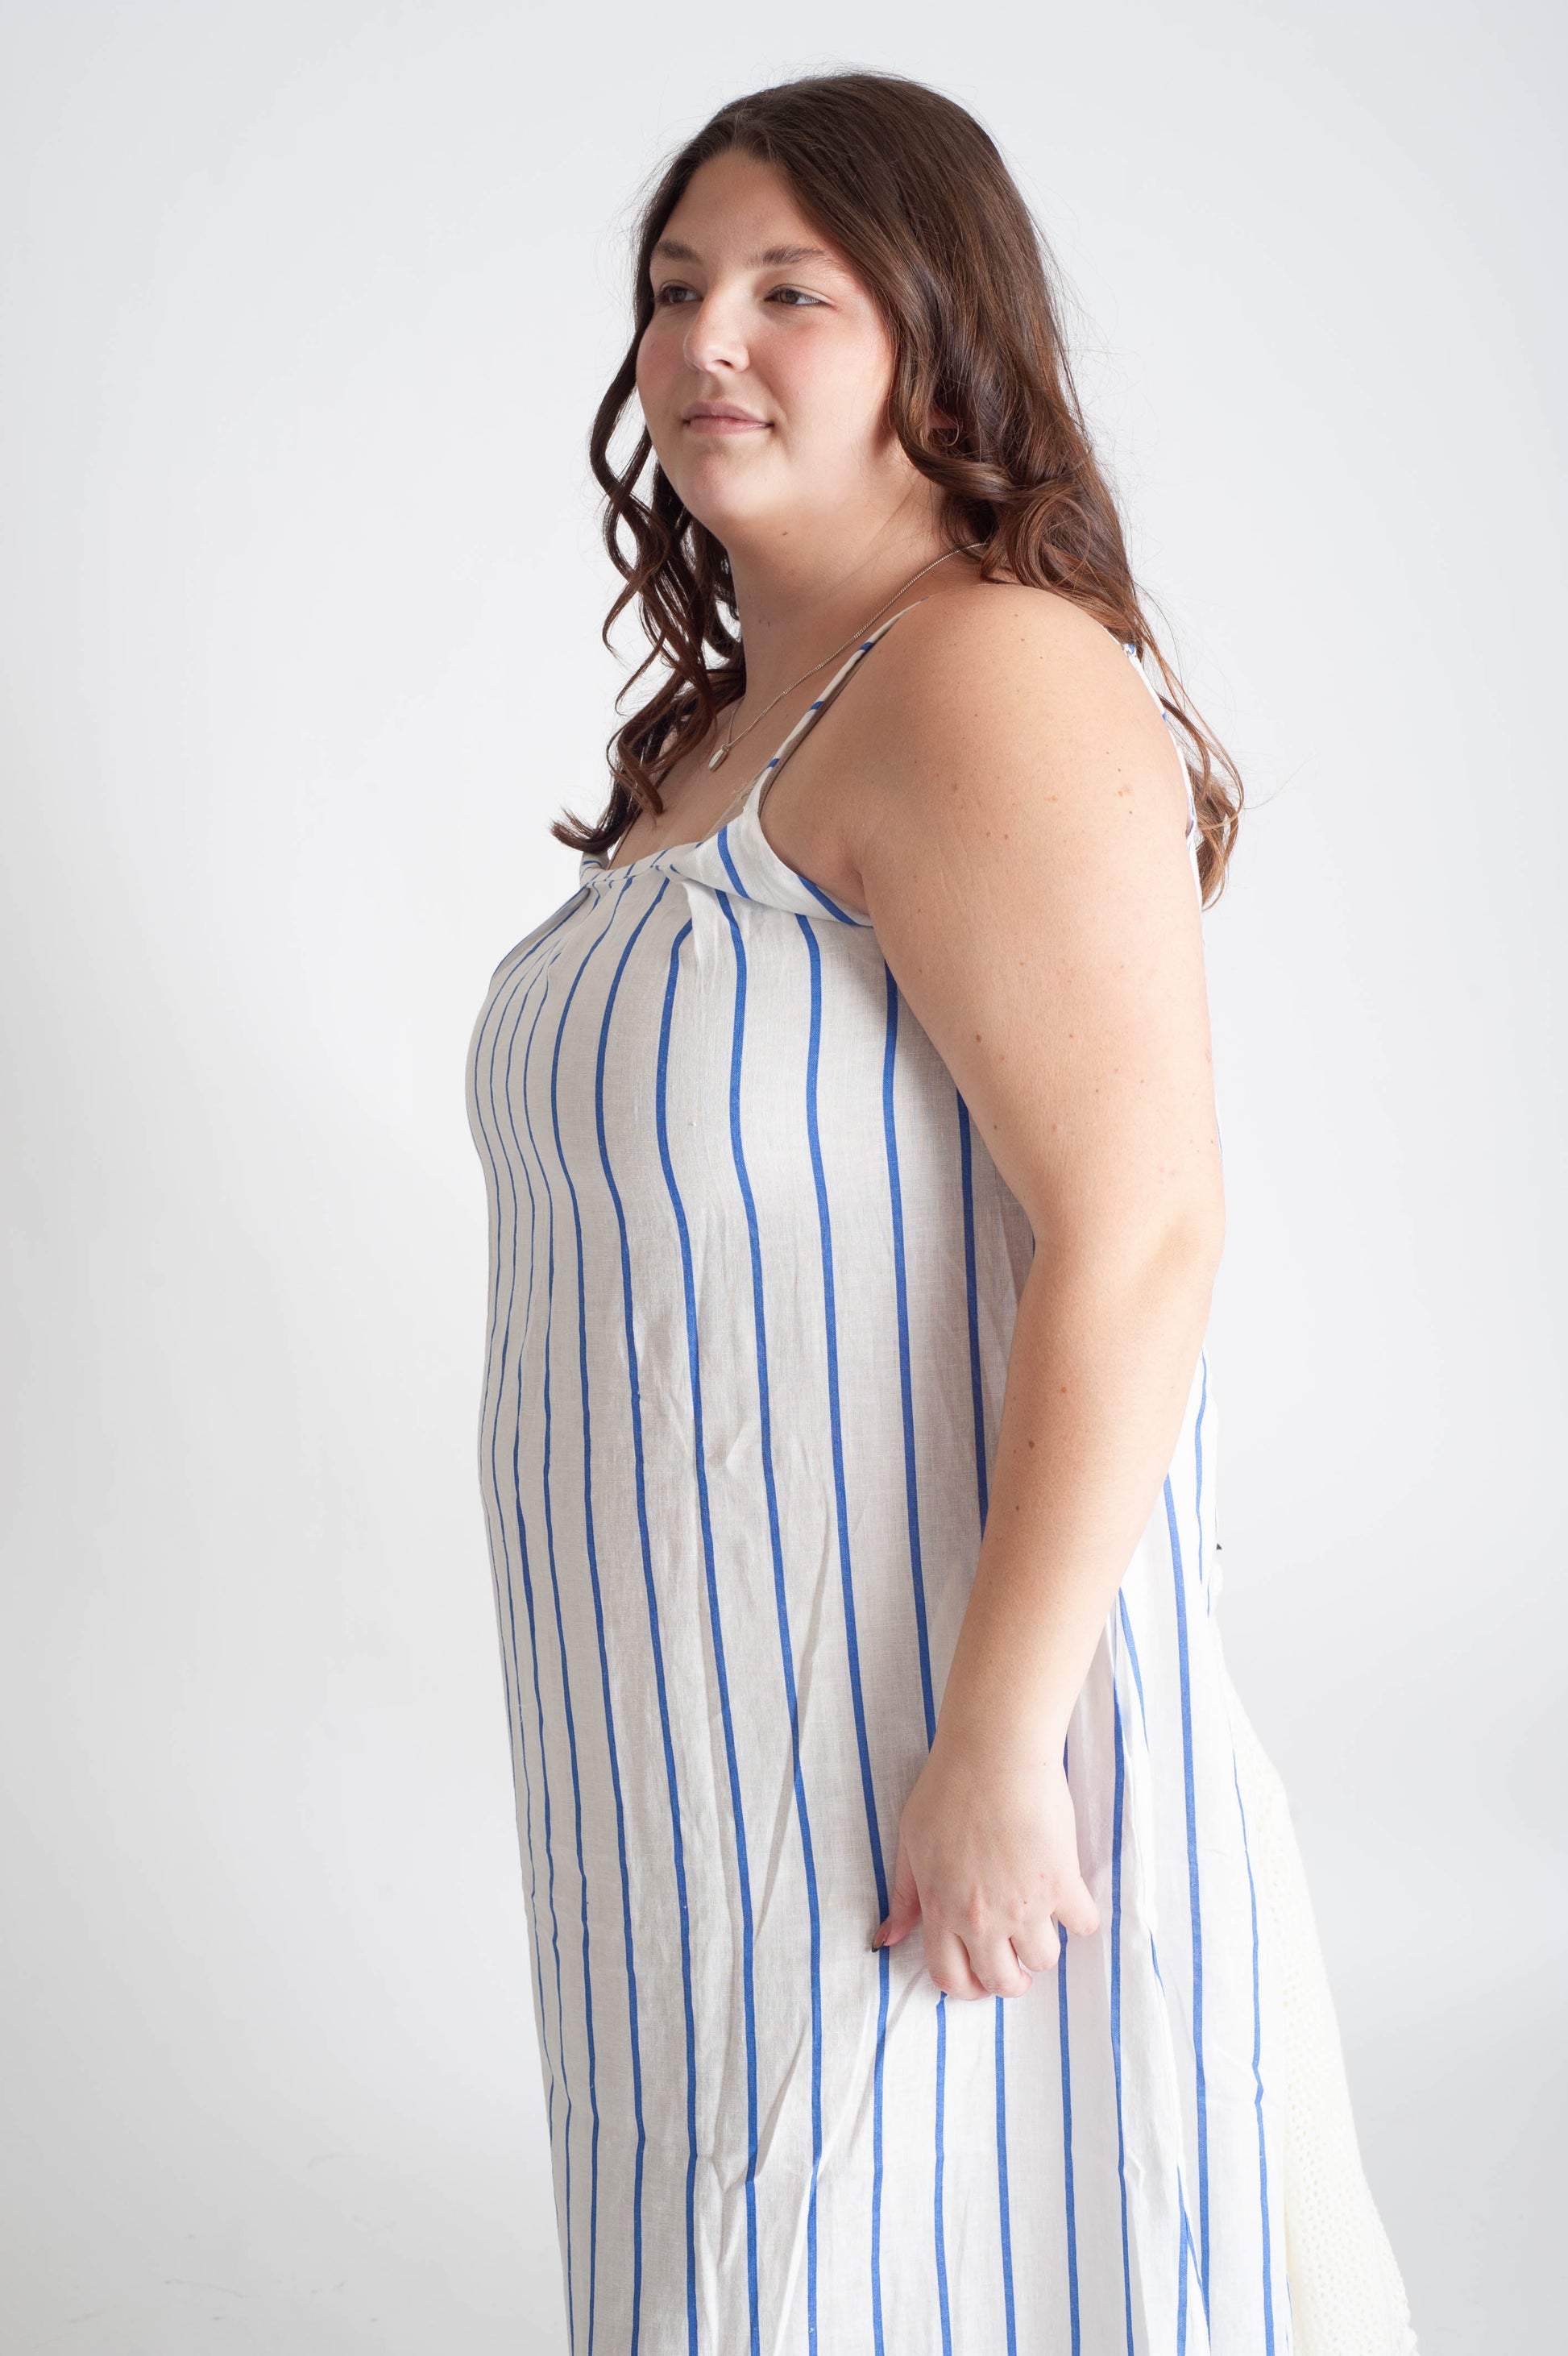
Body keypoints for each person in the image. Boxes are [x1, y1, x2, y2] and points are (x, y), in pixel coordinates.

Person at [466, 68, 1419, 2356]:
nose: (708, 337)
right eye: (678, 286)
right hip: (696, 1788)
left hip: (936, 1771)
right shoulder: (724, 739)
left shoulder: (982, 672)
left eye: (790, 289)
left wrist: (994, 1742)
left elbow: (1142, 1225)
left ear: (934, 335)